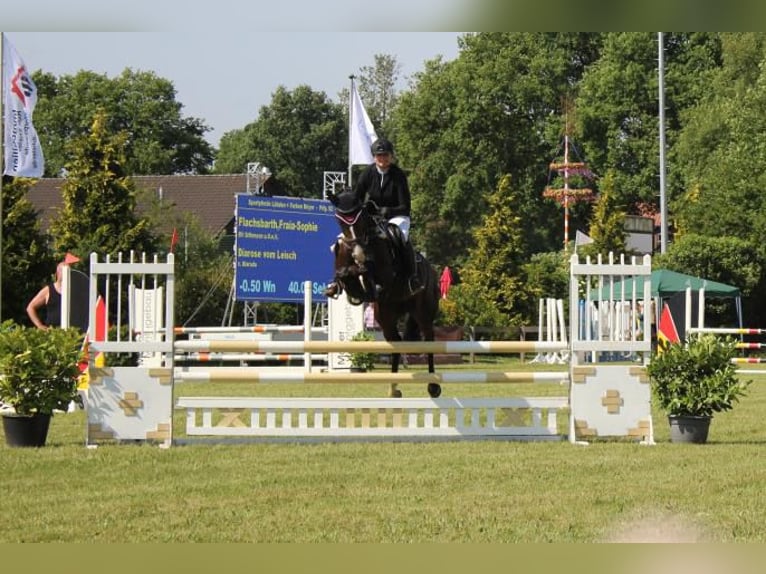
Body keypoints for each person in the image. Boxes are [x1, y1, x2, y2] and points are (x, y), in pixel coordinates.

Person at [325, 137, 423, 299]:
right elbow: (357, 198)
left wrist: (385, 211)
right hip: (372, 216)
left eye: (385, 155)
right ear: (374, 157)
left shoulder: (398, 176)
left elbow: (405, 206)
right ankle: (337, 281)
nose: (382, 159)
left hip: (397, 216)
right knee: (342, 241)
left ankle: (412, 278)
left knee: (399, 237)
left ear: (391, 157)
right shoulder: (368, 173)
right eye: (379, 156)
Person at [26, 253, 80, 330]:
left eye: (69, 271)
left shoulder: (75, 290)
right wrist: (40, 326)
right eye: (64, 271)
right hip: (52, 334)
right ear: (58, 272)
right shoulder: (48, 290)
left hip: (71, 334)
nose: (67, 273)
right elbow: (30, 307)